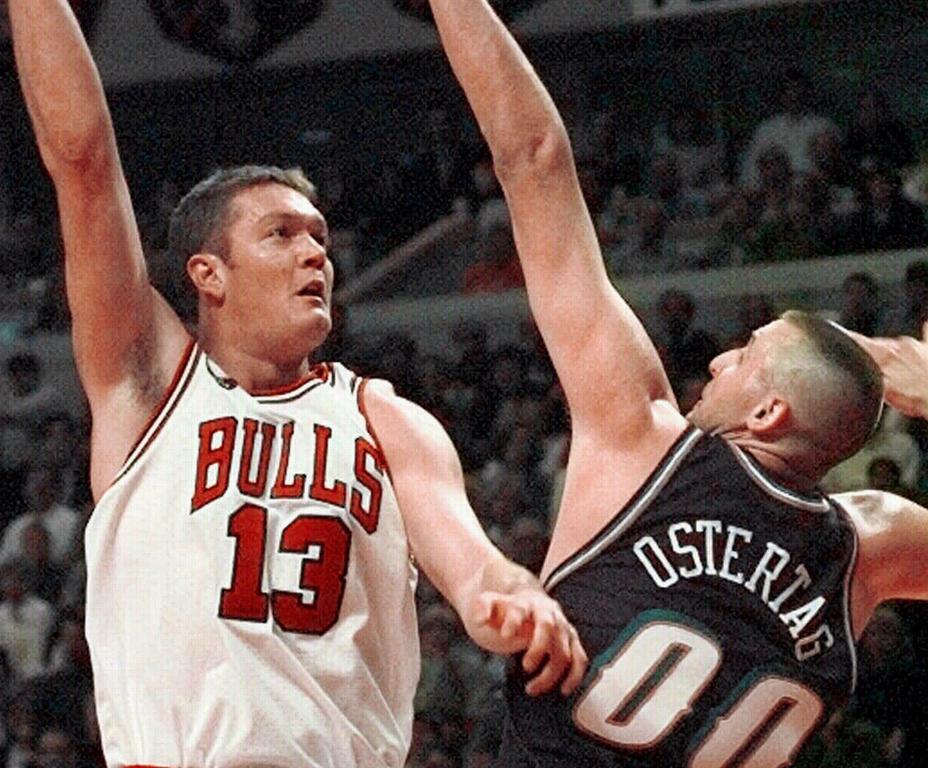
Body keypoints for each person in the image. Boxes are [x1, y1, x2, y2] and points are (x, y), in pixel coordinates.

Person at [426, 0, 928, 765]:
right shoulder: (868, 545)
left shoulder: (643, 436)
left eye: (742, 354)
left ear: (769, 411)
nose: (714, 362)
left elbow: (534, 156)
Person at [8, 2, 587, 767]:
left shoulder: (382, 417)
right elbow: (80, 155)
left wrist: (511, 596)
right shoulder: (147, 386)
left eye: (319, 237)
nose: (315, 252)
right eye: (280, 235)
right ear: (207, 275)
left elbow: (474, 563)